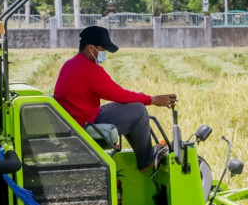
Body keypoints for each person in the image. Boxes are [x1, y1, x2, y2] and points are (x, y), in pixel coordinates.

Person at [54, 25, 176, 171]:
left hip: (76, 121)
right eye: (102, 49)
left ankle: (145, 152)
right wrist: (153, 100)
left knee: (131, 105)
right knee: (138, 110)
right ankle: (145, 160)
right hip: (85, 126)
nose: (104, 54)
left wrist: (141, 98)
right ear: (91, 48)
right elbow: (119, 94)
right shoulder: (89, 70)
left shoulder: (70, 64)